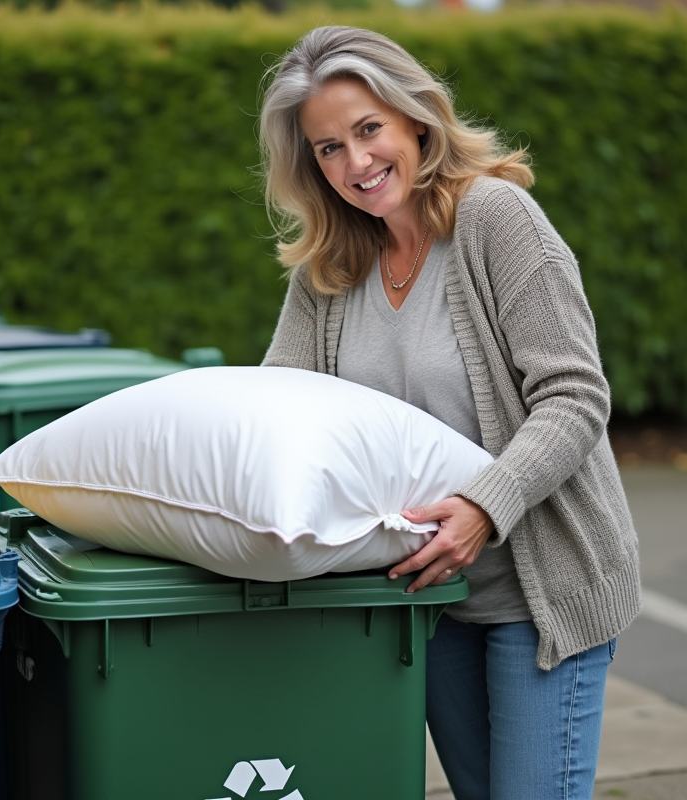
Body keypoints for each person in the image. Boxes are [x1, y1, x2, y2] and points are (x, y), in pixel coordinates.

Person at [258, 25, 641, 800]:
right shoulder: (329, 269)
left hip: (541, 598)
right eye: (329, 148)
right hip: (425, 599)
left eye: (370, 130)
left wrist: (481, 508)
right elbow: (278, 408)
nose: (357, 163)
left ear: (416, 120)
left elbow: (575, 396)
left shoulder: (495, 219)